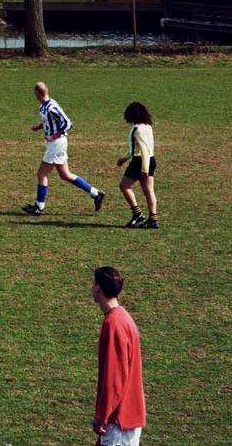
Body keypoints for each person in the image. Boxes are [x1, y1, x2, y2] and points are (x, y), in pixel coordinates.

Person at [24, 82, 106, 215]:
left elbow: (68, 123)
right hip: (54, 144)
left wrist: (54, 136)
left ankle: (39, 206)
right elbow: (50, 122)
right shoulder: (43, 106)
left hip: (56, 144)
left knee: (41, 174)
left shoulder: (51, 107)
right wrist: (39, 127)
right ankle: (96, 193)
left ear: (37, 93)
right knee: (65, 175)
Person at [91, 265, 145, 445]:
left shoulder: (113, 323)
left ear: (98, 288)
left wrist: (102, 415)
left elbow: (115, 377)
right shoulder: (122, 318)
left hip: (118, 420)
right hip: (124, 418)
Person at [116, 103, 159, 229]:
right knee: (149, 191)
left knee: (124, 186)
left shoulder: (137, 129)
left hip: (139, 161)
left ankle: (137, 213)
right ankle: (153, 219)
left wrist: (144, 169)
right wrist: (123, 159)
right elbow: (143, 148)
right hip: (151, 159)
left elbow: (141, 149)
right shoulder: (148, 127)